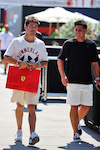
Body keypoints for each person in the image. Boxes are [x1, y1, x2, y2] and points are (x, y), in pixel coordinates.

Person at [4, 16, 48, 145]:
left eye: (35, 27)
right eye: (31, 26)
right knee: (19, 105)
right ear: (25, 27)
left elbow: (45, 61)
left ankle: (32, 133)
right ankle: (19, 130)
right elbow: (6, 57)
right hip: (18, 77)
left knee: (32, 106)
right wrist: (18, 62)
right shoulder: (17, 42)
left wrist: (37, 65)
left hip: (33, 78)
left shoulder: (40, 44)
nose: (33, 29)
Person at [57, 20, 100, 142]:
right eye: (76, 30)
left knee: (86, 107)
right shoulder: (68, 44)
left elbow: (95, 64)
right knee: (74, 107)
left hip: (87, 81)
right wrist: (62, 76)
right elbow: (60, 60)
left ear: (85, 31)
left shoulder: (91, 45)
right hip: (72, 81)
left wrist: (97, 78)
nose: (77, 32)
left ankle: (75, 122)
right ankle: (76, 132)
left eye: (80, 30)